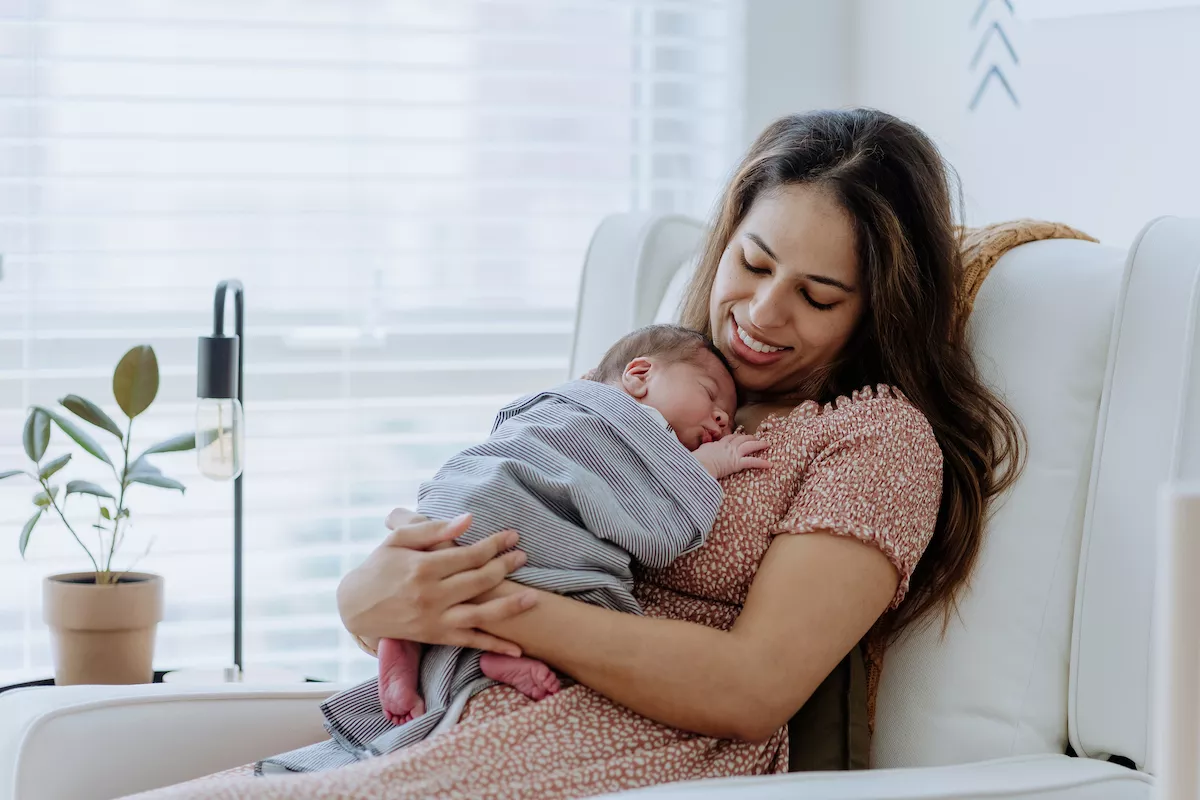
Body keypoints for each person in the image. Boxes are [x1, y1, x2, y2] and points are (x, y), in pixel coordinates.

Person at [127, 108, 1023, 800]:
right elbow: (492, 514)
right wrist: (369, 596)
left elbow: (752, 688)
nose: (761, 313)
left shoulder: (876, 441)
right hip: (454, 708)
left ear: (878, 310)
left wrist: (492, 605)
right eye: (752, 263)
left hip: (631, 745)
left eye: (818, 297)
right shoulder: (654, 382)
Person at [258, 325, 770, 773]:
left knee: (459, 575)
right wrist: (707, 467)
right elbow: (652, 517)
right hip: (510, 508)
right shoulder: (620, 421)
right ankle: (457, 651)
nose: (722, 420)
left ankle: (425, 651)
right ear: (639, 376)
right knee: (577, 593)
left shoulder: (575, 412)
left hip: (467, 505)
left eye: (727, 415)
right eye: (710, 396)